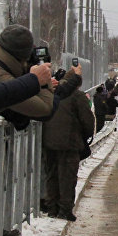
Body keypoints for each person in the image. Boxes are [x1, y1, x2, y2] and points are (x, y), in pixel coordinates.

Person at [41, 79, 94, 221]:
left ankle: (52, 208)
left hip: (48, 141)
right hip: (69, 142)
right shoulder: (77, 96)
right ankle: (64, 210)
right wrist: (84, 136)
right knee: (67, 177)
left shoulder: (49, 94)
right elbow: (88, 121)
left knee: (51, 174)